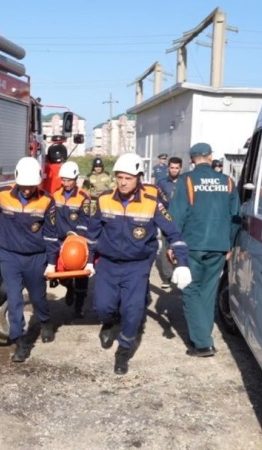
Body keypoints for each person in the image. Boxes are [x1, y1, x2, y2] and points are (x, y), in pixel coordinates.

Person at [87, 153, 191, 375]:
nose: (123, 182)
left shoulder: (153, 204)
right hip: (108, 263)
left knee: (132, 310)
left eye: (128, 178)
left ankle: (124, 350)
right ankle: (109, 322)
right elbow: (92, 233)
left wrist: (182, 263)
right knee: (103, 306)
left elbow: (174, 233)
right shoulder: (104, 199)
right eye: (120, 177)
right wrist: (88, 261)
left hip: (137, 265)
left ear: (139, 178)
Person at [0, 157, 59, 362]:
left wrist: (52, 262)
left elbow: (51, 234)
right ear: (17, 180)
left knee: (38, 297)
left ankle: (45, 322)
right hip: (9, 256)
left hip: (35, 258)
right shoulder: (1, 195)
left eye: (31, 186)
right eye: (24, 186)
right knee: (14, 298)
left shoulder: (47, 201)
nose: (27, 190)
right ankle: (20, 341)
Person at [168, 143, 241, 357]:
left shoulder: (186, 180)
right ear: (210, 157)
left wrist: (173, 244)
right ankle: (203, 334)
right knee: (208, 291)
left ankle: (202, 344)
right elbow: (235, 216)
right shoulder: (228, 182)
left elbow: (176, 215)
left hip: (193, 244)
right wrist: (229, 244)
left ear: (192, 160)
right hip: (219, 246)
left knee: (190, 289)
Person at [50, 161, 94, 319]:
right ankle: (69, 286)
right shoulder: (55, 195)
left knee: (81, 275)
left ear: (76, 179)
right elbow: (51, 217)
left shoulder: (84, 198)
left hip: (78, 241)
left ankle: (79, 306)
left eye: (69, 180)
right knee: (60, 273)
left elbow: (85, 221)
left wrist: (75, 238)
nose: (66, 183)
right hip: (60, 240)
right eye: (63, 180)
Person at [155, 156, 183, 289]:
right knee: (166, 247)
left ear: (180, 169)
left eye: (177, 168)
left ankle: (181, 272)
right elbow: (158, 201)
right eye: (172, 167)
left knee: (181, 246)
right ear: (168, 168)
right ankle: (167, 277)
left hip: (183, 219)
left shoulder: (185, 182)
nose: (174, 170)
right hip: (167, 219)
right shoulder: (161, 183)